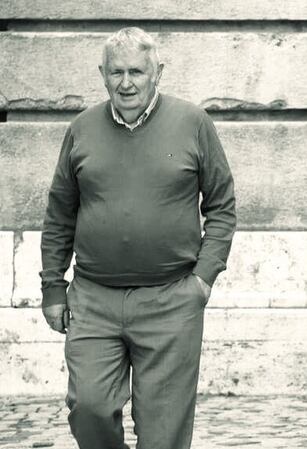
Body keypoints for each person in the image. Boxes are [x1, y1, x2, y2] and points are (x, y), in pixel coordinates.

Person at [40, 27, 236, 449]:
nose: (125, 82)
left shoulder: (193, 123)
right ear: (102, 74)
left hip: (171, 301)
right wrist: (53, 286)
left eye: (136, 72)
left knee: (163, 436)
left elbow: (222, 206)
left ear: (157, 73)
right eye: (116, 72)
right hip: (93, 299)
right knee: (88, 409)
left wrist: (202, 280)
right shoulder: (81, 129)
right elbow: (60, 212)